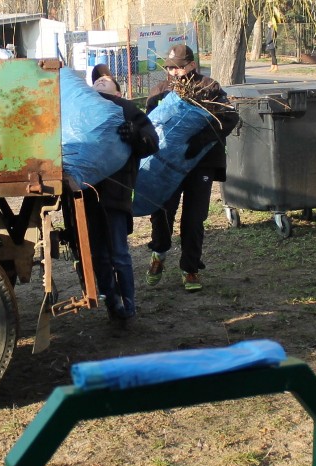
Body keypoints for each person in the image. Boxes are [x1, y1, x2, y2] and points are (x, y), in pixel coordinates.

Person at [144, 44, 239, 292]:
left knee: (194, 218)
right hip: (168, 165)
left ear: (192, 65)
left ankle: (190, 269)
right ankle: (159, 252)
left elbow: (230, 117)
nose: (174, 72)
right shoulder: (160, 90)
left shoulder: (209, 88)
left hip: (201, 163)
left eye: (178, 67)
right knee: (163, 213)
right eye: (170, 68)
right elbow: (150, 125)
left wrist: (200, 140)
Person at [87, 66, 160, 329]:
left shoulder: (128, 110)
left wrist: (135, 136)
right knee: (98, 254)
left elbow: (152, 143)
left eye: (106, 80)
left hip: (115, 194)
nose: (100, 81)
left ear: (119, 92)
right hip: (86, 196)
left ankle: (128, 305)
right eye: (96, 80)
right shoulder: (83, 111)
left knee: (119, 253)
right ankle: (111, 304)